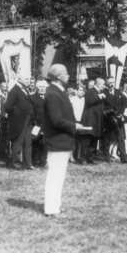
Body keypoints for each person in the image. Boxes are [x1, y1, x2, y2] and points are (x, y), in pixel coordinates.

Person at [42, 64, 85, 217]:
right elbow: (56, 120)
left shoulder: (58, 91)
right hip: (57, 140)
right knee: (55, 175)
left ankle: (56, 206)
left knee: (59, 175)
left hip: (61, 140)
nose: (69, 75)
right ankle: (51, 208)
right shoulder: (53, 93)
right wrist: (75, 126)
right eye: (66, 73)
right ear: (58, 76)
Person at [5, 73, 34, 170]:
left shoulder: (25, 90)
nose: (28, 80)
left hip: (28, 120)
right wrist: (17, 113)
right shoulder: (14, 90)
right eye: (26, 78)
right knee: (18, 142)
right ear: (19, 79)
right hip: (19, 121)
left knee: (27, 143)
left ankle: (28, 164)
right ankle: (16, 164)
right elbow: (8, 106)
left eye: (29, 79)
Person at [80, 78, 108, 164]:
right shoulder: (90, 91)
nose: (104, 86)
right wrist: (99, 96)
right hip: (89, 120)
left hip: (97, 120)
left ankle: (90, 158)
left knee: (94, 139)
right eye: (103, 84)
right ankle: (83, 158)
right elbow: (88, 101)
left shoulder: (100, 93)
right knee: (87, 140)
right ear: (98, 84)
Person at [103, 76, 127, 163]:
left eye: (113, 82)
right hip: (109, 120)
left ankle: (124, 159)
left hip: (119, 120)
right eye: (110, 82)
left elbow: (124, 103)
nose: (112, 84)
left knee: (121, 139)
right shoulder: (103, 93)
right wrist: (110, 115)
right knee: (107, 139)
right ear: (106, 83)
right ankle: (107, 158)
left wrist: (121, 113)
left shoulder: (118, 92)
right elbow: (104, 107)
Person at [31, 79, 48, 168]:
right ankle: (34, 161)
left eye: (44, 87)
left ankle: (42, 162)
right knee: (35, 142)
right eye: (40, 87)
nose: (42, 89)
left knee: (44, 144)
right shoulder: (32, 97)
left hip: (46, 124)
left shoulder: (49, 97)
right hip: (36, 124)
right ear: (36, 88)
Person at [0, 81, 9, 163]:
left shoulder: (9, 95)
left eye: (6, 87)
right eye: (3, 87)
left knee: (5, 138)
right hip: (1, 118)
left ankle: (4, 155)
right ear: (0, 87)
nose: (5, 88)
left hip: (8, 119)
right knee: (0, 138)